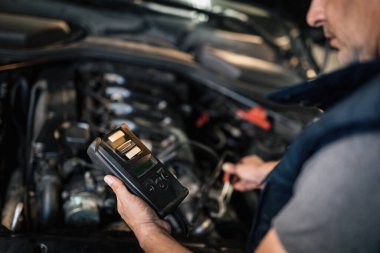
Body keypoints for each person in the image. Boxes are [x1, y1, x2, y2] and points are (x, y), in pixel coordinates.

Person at [104, 0, 380, 252]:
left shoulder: (361, 153)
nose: (313, 16)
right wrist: (274, 172)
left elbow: (351, 174)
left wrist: (147, 231)